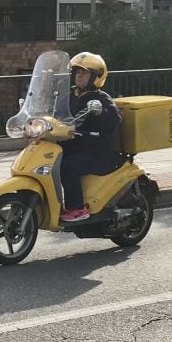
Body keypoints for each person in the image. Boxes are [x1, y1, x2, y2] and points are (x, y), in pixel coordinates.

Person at [59, 52, 123, 222]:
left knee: (68, 166)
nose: (79, 76)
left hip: (96, 151)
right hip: (73, 146)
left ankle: (77, 208)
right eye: (77, 72)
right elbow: (57, 114)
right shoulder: (70, 96)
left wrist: (102, 111)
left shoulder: (100, 98)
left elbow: (115, 119)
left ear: (96, 77)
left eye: (84, 73)